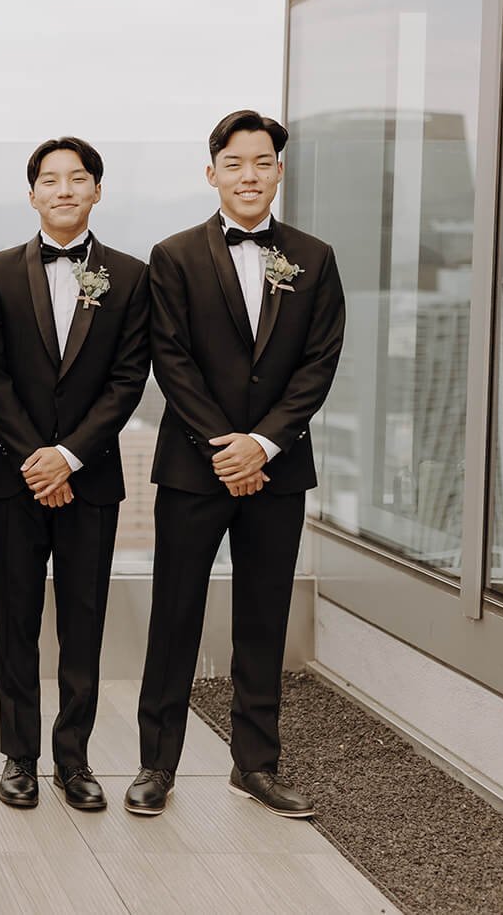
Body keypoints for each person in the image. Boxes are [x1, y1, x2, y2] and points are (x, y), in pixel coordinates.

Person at [127, 110, 344, 818]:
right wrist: (226, 445)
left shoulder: (315, 255)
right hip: (195, 468)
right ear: (212, 171)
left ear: (279, 171)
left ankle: (256, 764)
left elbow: (319, 363)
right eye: (235, 162)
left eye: (262, 162)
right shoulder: (175, 254)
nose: (248, 175)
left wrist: (265, 444)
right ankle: (156, 764)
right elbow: (171, 359)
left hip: (278, 472)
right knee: (175, 615)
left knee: (263, 616)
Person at [0, 137, 150, 813]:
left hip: (92, 474)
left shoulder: (130, 275)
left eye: (78, 179)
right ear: (32, 195)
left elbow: (128, 377)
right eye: (50, 180)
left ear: (97, 191)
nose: (65, 189)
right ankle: (19, 755)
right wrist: (35, 456)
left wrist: (70, 454)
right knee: (15, 619)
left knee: (84, 619)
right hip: (15, 475)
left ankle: (72, 758)